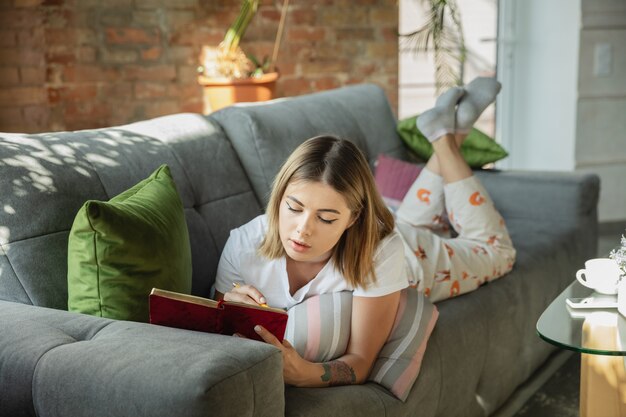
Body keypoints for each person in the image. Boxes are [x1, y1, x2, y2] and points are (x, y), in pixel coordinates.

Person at [213, 77, 516, 388]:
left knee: (498, 252)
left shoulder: (379, 250)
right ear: (279, 197)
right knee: (409, 219)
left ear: (352, 217)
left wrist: (305, 373)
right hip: (393, 225)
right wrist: (227, 304)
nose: (302, 230)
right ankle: (451, 128)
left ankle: (443, 139)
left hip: (415, 260)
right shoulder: (244, 244)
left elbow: (361, 361)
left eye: (326, 218)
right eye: (293, 207)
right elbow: (214, 320)